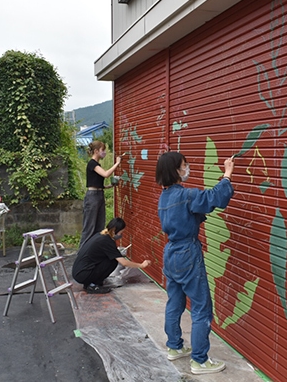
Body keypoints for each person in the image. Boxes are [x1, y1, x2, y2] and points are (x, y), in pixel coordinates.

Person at [155, 151, 235, 375]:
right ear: (175, 170)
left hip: (170, 252)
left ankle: (175, 347)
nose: (187, 167)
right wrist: (227, 174)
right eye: (184, 165)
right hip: (187, 253)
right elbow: (215, 198)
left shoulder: (165, 196)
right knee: (201, 308)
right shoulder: (187, 196)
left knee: (175, 303)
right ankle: (199, 360)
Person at [72, 217, 151, 294]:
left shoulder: (100, 235)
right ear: (114, 231)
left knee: (110, 259)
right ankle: (93, 285)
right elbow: (124, 263)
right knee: (113, 261)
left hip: (79, 271)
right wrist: (141, 265)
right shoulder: (107, 241)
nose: (121, 235)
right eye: (121, 233)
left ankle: (91, 282)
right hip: (82, 274)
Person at [80, 140, 122, 248]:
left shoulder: (97, 164)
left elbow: (98, 184)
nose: (104, 153)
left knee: (99, 226)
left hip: (99, 195)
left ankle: (94, 251)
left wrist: (110, 186)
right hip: (92, 197)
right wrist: (117, 163)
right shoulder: (92, 164)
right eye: (102, 150)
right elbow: (106, 174)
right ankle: (82, 254)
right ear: (96, 151)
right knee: (89, 227)